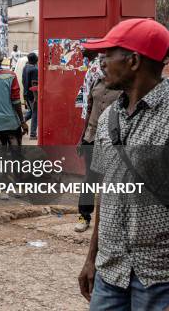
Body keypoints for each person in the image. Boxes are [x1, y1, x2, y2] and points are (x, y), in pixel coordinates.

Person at [78, 19, 169, 310]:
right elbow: (105, 192)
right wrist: (92, 258)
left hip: (161, 280)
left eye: (108, 55)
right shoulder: (107, 119)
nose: (101, 63)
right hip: (110, 275)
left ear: (134, 61)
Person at [74, 50, 121, 234]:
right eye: (100, 61)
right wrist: (81, 137)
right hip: (91, 138)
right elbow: (89, 111)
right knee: (89, 179)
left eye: (105, 61)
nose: (102, 64)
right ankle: (84, 216)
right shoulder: (96, 82)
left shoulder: (123, 88)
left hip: (111, 142)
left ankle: (110, 222)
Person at [21, 52, 38, 140]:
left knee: (31, 112)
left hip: (26, 94)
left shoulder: (25, 67)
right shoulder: (35, 69)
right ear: (36, 60)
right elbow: (34, 84)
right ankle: (33, 134)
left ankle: (21, 121)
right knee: (36, 113)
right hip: (32, 95)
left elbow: (23, 81)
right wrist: (36, 98)